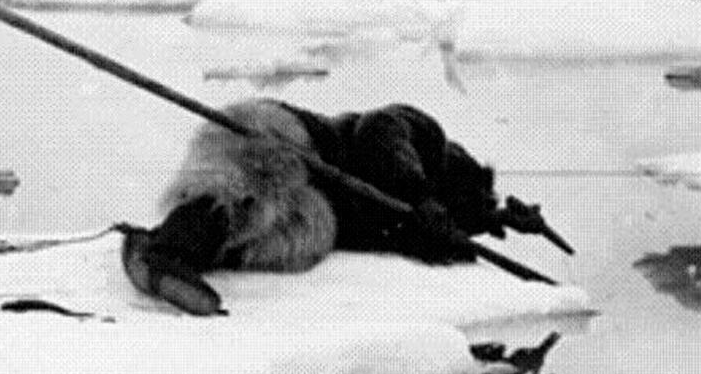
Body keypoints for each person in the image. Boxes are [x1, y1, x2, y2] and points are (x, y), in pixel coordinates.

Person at [126, 99, 558, 314]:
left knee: (294, 241)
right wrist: (420, 194)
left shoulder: (402, 220)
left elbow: (434, 233)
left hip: (316, 199)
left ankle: (171, 258)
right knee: (252, 187)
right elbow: (382, 132)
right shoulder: (427, 140)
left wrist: (494, 220)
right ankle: (168, 252)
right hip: (292, 138)